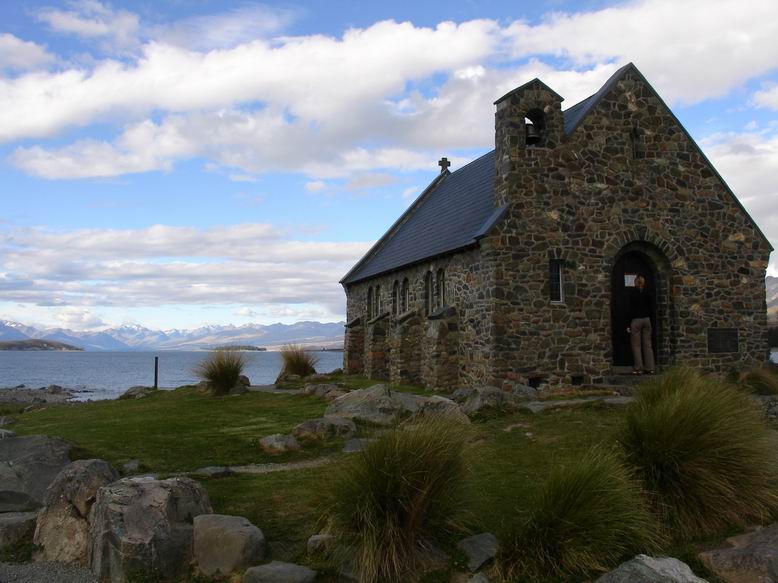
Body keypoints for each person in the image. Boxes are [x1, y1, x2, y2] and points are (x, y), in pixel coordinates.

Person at [627, 275, 655, 375]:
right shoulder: (648, 292)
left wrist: (628, 324)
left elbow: (629, 309)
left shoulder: (632, 293)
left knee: (636, 345)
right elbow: (652, 307)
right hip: (646, 319)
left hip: (636, 320)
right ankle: (650, 368)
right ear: (643, 282)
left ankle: (639, 368)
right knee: (647, 345)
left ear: (635, 282)